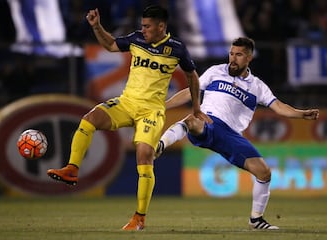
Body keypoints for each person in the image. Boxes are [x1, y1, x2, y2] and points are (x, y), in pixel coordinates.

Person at [47, 5, 209, 230]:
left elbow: (192, 77)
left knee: (144, 155)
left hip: (151, 111)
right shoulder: (136, 39)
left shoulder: (177, 49)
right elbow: (111, 45)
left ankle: (139, 218)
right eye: (142, 25)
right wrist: (97, 27)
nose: (143, 30)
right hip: (126, 102)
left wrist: (197, 107)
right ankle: (72, 169)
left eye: (147, 26)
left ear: (161, 26)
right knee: (90, 119)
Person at [155, 37, 320, 230]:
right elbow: (189, 92)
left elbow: (279, 107)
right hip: (208, 121)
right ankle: (159, 146)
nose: (233, 59)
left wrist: (301, 114)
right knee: (192, 120)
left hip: (231, 135)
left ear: (249, 58)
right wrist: (163, 105)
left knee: (264, 172)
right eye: (231, 54)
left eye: (239, 55)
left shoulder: (257, 86)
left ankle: (256, 220)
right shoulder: (216, 71)